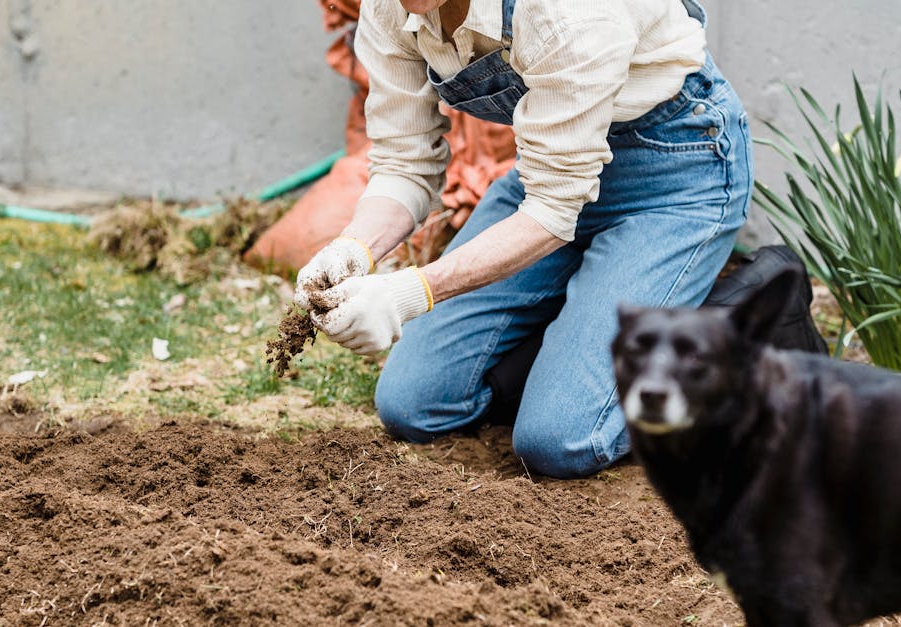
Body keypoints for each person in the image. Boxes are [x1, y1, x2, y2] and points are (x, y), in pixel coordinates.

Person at [293, 0, 753, 478]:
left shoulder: (566, 12)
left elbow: (553, 212)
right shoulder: (391, 9)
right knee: (411, 404)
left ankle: (738, 318)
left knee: (561, 441)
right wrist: (352, 247)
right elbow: (403, 164)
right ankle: (586, 324)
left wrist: (410, 292)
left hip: (675, 176)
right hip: (551, 171)